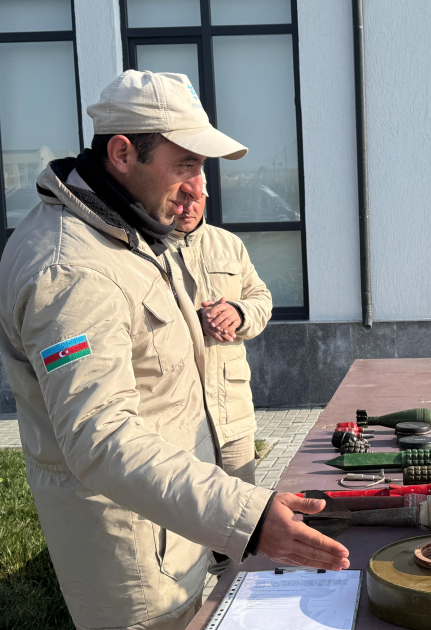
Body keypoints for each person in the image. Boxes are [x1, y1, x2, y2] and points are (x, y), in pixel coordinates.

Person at [0, 70, 348, 630]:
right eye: (185, 165)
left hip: (174, 531)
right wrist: (247, 516)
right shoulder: (73, 270)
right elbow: (101, 438)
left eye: (202, 167)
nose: (197, 187)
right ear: (121, 153)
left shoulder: (129, 235)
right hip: (135, 567)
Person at [167, 175, 272, 574]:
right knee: (186, 527)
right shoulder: (144, 251)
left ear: (207, 196)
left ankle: (235, 592)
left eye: (195, 197)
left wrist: (238, 313)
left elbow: (261, 298)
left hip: (233, 414)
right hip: (178, 419)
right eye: (179, 197)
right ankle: (193, 593)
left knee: (242, 523)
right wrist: (194, 323)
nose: (187, 206)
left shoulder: (229, 245)